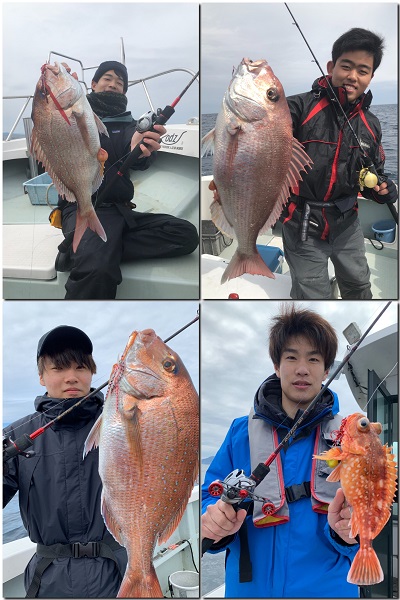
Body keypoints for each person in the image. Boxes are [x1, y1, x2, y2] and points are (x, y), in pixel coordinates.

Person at [202, 306, 359, 598]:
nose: (302, 369)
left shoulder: (350, 437)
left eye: (314, 359)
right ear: (276, 365)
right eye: (291, 357)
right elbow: (209, 495)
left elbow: (367, 509)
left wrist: (350, 534)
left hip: (328, 589)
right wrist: (213, 522)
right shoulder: (240, 432)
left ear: (327, 370)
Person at [55, 60, 199, 299]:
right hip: (80, 205)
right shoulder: (74, 115)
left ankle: (89, 248)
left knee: (185, 234)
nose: (113, 84)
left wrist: (139, 151)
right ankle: (93, 250)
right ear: (93, 84)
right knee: (97, 270)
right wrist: (61, 87)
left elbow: (137, 154)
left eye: (119, 82)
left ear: (124, 91)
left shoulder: (130, 125)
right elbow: (51, 126)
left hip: (120, 211)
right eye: (107, 78)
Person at [3, 326, 127, 598]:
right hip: (48, 582)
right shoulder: (14, 436)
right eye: (58, 368)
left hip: (117, 575)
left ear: (92, 372)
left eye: (81, 367)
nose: (72, 377)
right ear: (41, 376)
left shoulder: (122, 423)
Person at [280, 29, 398, 299]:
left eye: (363, 70)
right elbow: (263, 130)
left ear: (370, 77)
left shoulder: (372, 125)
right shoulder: (297, 108)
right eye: (346, 66)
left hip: (347, 224)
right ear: (331, 67)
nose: (353, 76)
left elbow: (372, 175)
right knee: (312, 294)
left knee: (359, 286)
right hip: (301, 224)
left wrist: (382, 190)